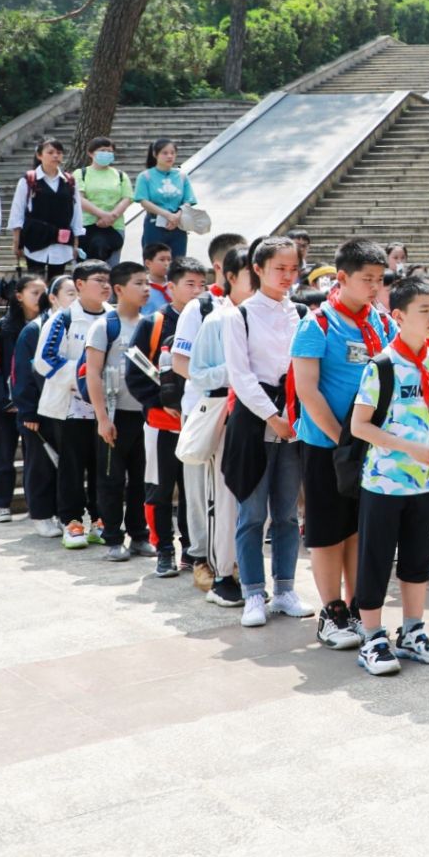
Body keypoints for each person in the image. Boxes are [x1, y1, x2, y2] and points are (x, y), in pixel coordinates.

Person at [289, 238, 394, 650]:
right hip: (326, 446)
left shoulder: (382, 324)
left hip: (368, 447)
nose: (373, 287)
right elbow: (307, 391)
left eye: (379, 280)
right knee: (328, 532)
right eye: (366, 279)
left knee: (357, 530)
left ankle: (354, 606)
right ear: (343, 277)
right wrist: (342, 441)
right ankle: (331, 611)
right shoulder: (316, 324)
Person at [347, 273, 429, 676]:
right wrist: (409, 448)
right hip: (384, 483)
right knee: (375, 560)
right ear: (398, 316)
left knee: (417, 559)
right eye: (423, 311)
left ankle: (412, 632)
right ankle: (372, 637)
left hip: (424, 485)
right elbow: (360, 426)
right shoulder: (383, 366)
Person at [222, 237, 307, 627]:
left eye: (293, 269)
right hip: (255, 422)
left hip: (295, 422)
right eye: (280, 269)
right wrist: (273, 415)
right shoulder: (238, 315)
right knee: (252, 514)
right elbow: (240, 376)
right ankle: (254, 592)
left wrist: (294, 415)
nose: (288, 276)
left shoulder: (302, 313)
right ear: (258, 269)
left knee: (288, 514)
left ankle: (286, 588)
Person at [175, 239, 253, 608]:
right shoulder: (206, 310)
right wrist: (240, 371)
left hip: (254, 414)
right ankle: (212, 564)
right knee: (214, 496)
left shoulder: (270, 314)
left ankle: (241, 566)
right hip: (215, 412)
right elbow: (189, 368)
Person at [32, 259, 114, 549]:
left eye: (108, 280)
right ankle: (72, 521)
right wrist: (81, 380)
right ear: (79, 285)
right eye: (98, 280)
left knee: (103, 466)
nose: (106, 286)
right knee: (72, 465)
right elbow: (45, 360)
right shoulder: (62, 318)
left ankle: (102, 520)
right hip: (71, 406)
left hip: (107, 407)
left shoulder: (113, 317)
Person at [83, 260, 153, 562]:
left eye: (147, 283)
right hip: (115, 414)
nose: (146, 289)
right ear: (119, 289)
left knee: (142, 479)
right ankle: (113, 537)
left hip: (146, 415)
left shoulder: (151, 323)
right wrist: (102, 418)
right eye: (139, 283)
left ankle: (140, 535)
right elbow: (93, 373)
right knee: (111, 479)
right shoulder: (105, 326)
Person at [144, 255, 207, 577]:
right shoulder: (154, 323)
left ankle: (189, 549)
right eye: (189, 284)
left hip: (197, 420)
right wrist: (160, 402)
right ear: (171, 287)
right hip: (161, 422)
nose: (197, 290)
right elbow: (136, 373)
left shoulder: (210, 316)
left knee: (192, 490)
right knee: (160, 487)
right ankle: (163, 551)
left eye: (202, 284)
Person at [12, 275, 70, 537]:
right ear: (53, 298)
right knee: (40, 465)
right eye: (70, 293)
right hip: (38, 411)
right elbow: (21, 375)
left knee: (64, 465)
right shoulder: (34, 330)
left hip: (65, 408)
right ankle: (41, 515)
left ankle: (61, 512)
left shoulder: (74, 326)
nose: (75, 299)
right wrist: (28, 411)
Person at [0, 273, 44, 521]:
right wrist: (5, 401)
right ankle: (2, 504)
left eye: (43, 293)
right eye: (35, 293)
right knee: (3, 454)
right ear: (19, 296)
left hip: (33, 403)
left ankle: (35, 504)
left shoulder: (47, 325)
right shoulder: (0, 328)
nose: (41, 298)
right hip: (4, 404)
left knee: (35, 457)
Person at [7, 138, 81, 273]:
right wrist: (16, 241)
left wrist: (75, 242)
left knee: (57, 282)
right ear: (39, 155)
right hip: (35, 239)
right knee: (35, 281)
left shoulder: (69, 181)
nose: (55, 156)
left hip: (62, 240)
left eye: (59, 152)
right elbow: (17, 211)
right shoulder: (29, 180)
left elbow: (76, 212)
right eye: (50, 152)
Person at [133, 138, 196, 258]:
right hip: (154, 224)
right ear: (155, 154)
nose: (169, 156)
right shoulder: (145, 176)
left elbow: (189, 200)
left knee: (179, 263)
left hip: (178, 225)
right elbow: (143, 201)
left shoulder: (182, 176)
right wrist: (167, 215)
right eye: (165, 153)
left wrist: (177, 216)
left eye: (172, 153)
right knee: (155, 260)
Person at [74, 137, 130, 265]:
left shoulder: (121, 175)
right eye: (102, 150)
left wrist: (112, 216)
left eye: (109, 151)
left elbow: (127, 198)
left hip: (115, 226)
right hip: (87, 226)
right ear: (90, 153)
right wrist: (102, 215)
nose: (107, 154)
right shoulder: (80, 174)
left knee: (112, 266)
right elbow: (79, 198)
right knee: (86, 268)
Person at [141, 242, 173, 314]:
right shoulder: (141, 286)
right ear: (148, 263)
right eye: (162, 260)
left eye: (169, 259)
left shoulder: (174, 284)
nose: (166, 263)